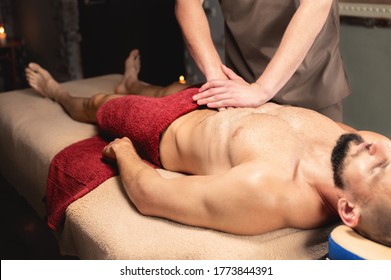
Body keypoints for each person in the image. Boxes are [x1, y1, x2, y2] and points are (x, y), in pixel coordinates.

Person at [25, 50, 391, 247]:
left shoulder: (269, 190)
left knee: (98, 105)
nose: (376, 147)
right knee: (167, 86)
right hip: (221, 102)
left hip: (163, 125)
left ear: (347, 209)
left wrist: (123, 152)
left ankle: (56, 92)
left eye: (377, 168)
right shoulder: (357, 144)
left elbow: (153, 195)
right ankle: (134, 83)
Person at [175, 0, 351, 121]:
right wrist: (215, 75)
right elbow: (187, 3)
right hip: (242, 89)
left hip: (313, 83)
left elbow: (317, 5)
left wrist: (262, 89)